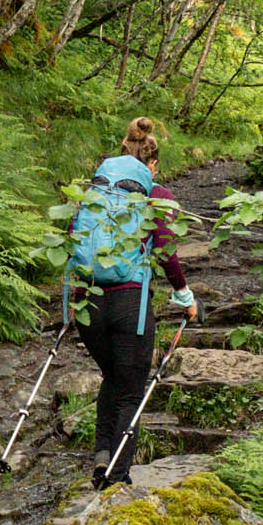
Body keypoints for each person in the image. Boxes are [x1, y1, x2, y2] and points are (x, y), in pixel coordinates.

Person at [72, 116, 197, 488]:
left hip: (87, 303)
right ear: (153, 165)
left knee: (113, 377)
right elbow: (166, 250)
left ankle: (101, 458)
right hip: (130, 303)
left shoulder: (96, 191)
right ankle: (116, 479)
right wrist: (183, 295)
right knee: (130, 390)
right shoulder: (156, 194)